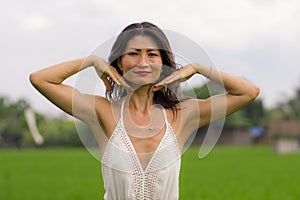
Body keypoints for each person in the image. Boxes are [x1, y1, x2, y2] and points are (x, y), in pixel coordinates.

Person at [29, 21, 259, 199]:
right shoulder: (101, 112)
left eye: (152, 54)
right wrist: (92, 62)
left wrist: (198, 68)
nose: (143, 62)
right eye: (133, 53)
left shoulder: (183, 113)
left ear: (162, 62)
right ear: (119, 62)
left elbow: (248, 92)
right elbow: (40, 79)